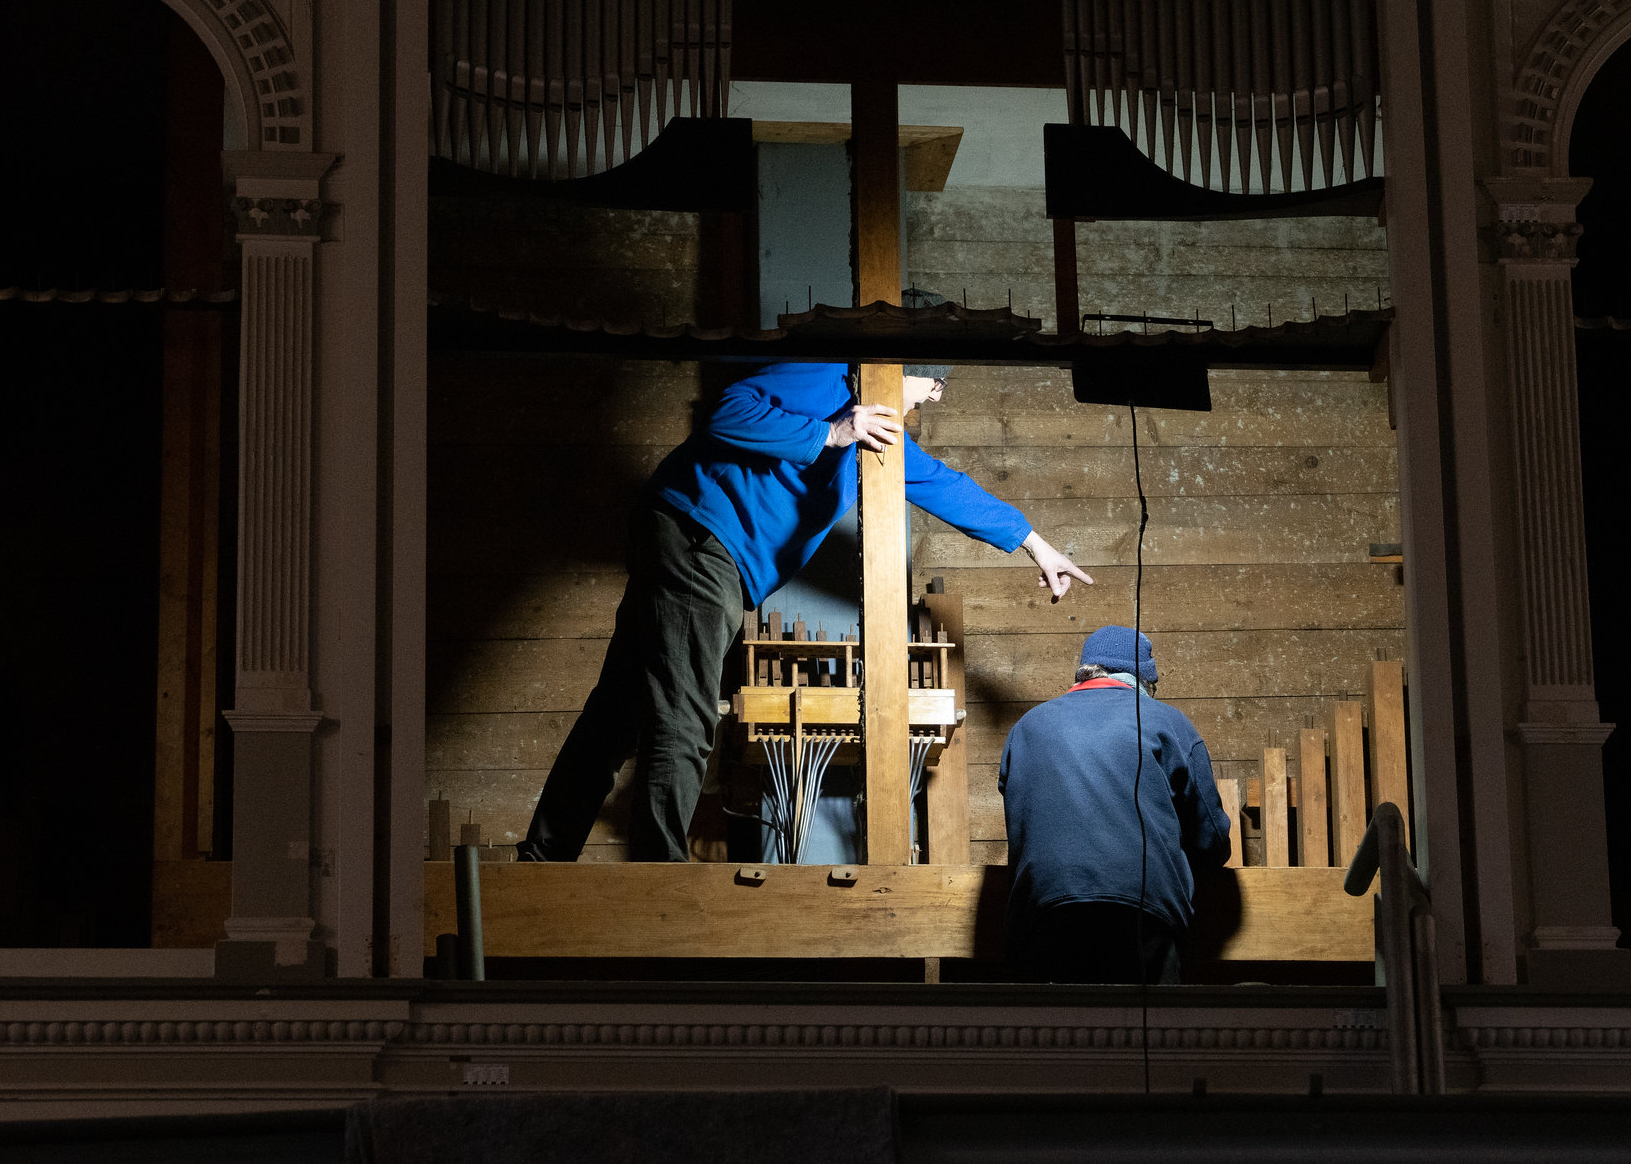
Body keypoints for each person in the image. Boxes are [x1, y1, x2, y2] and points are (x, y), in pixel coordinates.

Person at [517, 360, 1092, 862]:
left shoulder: (880, 437)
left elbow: (945, 485)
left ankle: (544, 855)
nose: (935, 395)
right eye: (933, 380)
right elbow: (728, 410)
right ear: (894, 371)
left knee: (620, 709)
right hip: (702, 534)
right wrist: (833, 431)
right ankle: (657, 875)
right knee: (685, 715)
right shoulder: (830, 381)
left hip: (704, 547)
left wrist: (1035, 545)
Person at [997, 625, 1232, 984]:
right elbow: (1211, 840)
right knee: (1146, 1035)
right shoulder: (1165, 721)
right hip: (1141, 912)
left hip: (1041, 913)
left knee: (1052, 1034)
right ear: (1143, 680)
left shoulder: (1027, 726)